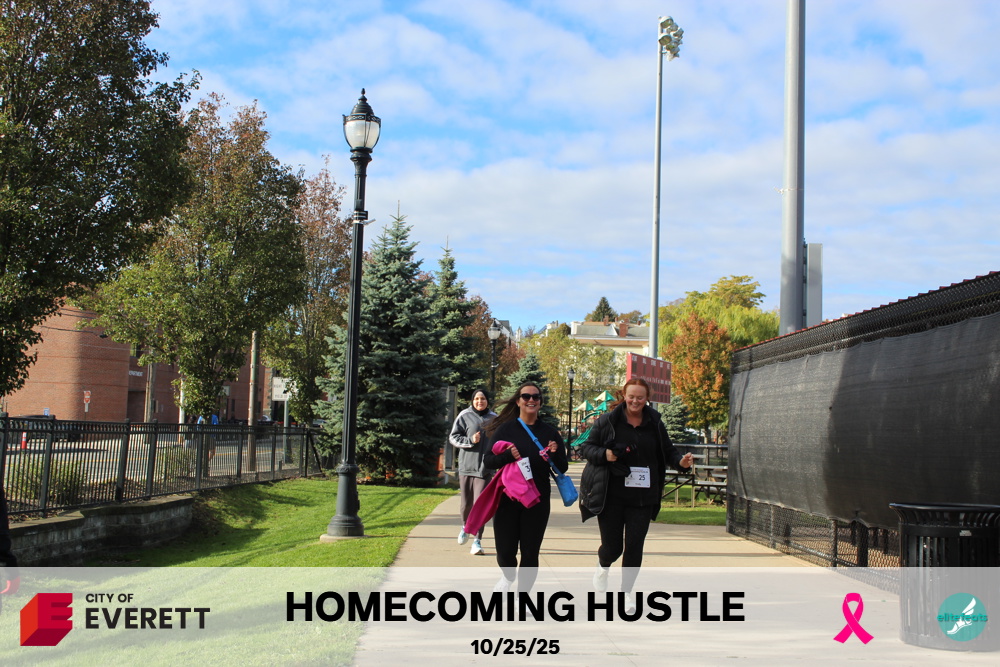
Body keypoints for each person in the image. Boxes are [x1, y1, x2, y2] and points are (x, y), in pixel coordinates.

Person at [578, 378, 693, 611]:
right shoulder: (608, 421)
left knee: (634, 546)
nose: (635, 401)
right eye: (631, 396)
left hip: (642, 496)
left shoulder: (654, 422)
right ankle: (603, 566)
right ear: (624, 395)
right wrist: (605, 454)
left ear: (647, 398)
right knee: (612, 548)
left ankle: (626, 593)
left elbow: (668, 450)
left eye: (640, 397)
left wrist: (681, 462)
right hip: (611, 494)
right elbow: (586, 448)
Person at [483, 382, 568, 593]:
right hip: (508, 498)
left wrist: (554, 453)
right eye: (526, 396)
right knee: (505, 551)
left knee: (530, 552)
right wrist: (506, 456)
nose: (531, 400)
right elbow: (488, 460)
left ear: (540, 402)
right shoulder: (505, 429)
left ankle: (524, 595)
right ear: (518, 401)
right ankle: (508, 576)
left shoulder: (549, 433)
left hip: (537, 499)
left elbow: (562, 467)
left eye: (535, 397)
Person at [450, 388, 496, 555]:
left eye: (483, 399)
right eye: (477, 399)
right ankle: (465, 526)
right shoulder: (464, 415)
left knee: (480, 505)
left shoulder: (494, 418)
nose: (479, 401)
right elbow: (453, 437)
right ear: (472, 401)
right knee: (466, 504)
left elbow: (499, 441)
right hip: (467, 467)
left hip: (485, 470)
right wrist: (470, 440)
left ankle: (477, 540)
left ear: (487, 401)